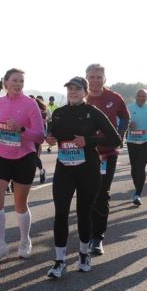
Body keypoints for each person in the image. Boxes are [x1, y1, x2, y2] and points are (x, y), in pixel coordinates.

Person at [44, 77, 122, 278]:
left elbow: (116, 139)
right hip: (64, 169)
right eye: (69, 89)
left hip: (88, 169)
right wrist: (50, 138)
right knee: (60, 213)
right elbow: (52, 132)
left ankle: (84, 254)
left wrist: (88, 140)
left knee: (84, 213)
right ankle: (60, 260)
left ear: (85, 92)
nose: (72, 92)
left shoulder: (93, 113)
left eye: (77, 89)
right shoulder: (59, 113)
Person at [0, 69, 45, 261]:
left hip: (24, 157)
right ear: (6, 82)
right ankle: (1, 244)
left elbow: (39, 135)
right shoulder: (0, 102)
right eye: (14, 80)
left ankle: (24, 241)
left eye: (21, 81)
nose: (18, 84)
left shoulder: (30, 104)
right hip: (2, 155)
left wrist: (20, 129)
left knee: (20, 203)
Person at [85, 64, 129, 256]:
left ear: (105, 78)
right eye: (91, 77)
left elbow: (125, 118)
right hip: (84, 155)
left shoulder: (114, 98)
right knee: (86, 195)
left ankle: (97, 238)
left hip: (107, 154)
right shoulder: (81, 96)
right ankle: (85, 234)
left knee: (102, 194)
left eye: (98, 77)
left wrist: (119, 135)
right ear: (86, 78)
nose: (95, 80)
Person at [126, 89, 147, 206]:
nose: (141, 98)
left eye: (143, 96)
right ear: (135, 96)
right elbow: (121, 120)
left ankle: (138, 194)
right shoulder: (128, 107)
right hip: (132, 141)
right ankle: (137, 189)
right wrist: (129, 124)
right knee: (134, 168)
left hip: (146, 141)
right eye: (139, 96)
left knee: (140, 167)